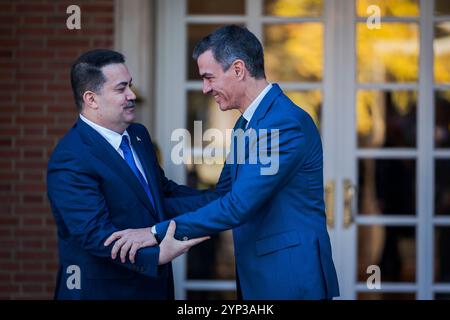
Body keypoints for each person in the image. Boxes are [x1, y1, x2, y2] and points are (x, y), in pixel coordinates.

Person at [106, 25, 340, 299]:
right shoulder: (245, 125)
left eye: (209, 77)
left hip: (289, 277)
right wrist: (146, 206)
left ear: (238, 70)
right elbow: (223, 196)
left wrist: (155, 232)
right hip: (263, 275)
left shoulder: (283, 124)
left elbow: (237, 206)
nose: (205, 88)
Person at [47, 49, 208, 300]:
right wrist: (156, 255)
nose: (132, 95)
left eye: (130, 85)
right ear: (91, 99)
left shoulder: (139, 136)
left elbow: (163, 194)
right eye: (121, 89)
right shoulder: (71, 157)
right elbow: (94, 234)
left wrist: (226, 198)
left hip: (153, 289)